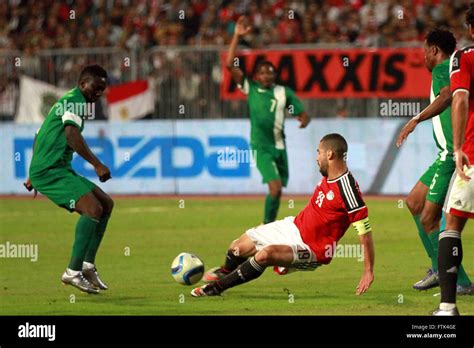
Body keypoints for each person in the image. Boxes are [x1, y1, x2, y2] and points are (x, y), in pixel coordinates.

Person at [191, 134, 375, 297]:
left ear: (330, 154)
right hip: (293, 226)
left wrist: (368, 270)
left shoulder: (347, 189)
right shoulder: (329, 175)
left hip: (312, 248)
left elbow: (365, 232)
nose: (316, 157)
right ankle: (225, 271)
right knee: (237, 247)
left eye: (318, 152)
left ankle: (216, 288)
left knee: (265, 255)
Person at [24, 65, 113, 294]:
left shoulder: (69, 100)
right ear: (83, 84)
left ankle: (87, 265)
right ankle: (72, 272)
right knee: (92, 209)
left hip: (56, 168)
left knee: (106, 204)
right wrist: (97, 164)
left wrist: (31, 171)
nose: (99, 93)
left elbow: (38, 133)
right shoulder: (76, 101)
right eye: (96, 87)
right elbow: (72, 135)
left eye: (103, 89)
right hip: (50, 171)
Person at [396, 29, 472, 294]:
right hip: (443, 155)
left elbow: (447, 95)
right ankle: (438, 268)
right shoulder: (453, 67)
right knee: (414, 202)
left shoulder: (443, 68)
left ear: (434, 51)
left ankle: (459, 280)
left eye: (424, 51)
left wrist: (416, 118)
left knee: (429, 217)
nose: (423, 57)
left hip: (451, 156)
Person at [226, 16, 310, 225]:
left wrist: (303, 118)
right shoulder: (251, 89)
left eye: (270, 72)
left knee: (279, 189)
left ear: (274, 76)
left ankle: (268, 224)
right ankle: (266, 226)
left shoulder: (284, 92)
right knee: (275, 187)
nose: (267, 75)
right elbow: (229, 64)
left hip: (280, 146)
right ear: (256, 77)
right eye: (262, 72)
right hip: (260, 146)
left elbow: (300, 112)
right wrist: (237, 36)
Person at [433, 4, 474, 315]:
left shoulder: (465, 56)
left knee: (452, 225)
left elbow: (459, 98)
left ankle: (448, 308)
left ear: (471, 29)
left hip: (472, 154)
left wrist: (457, 146)